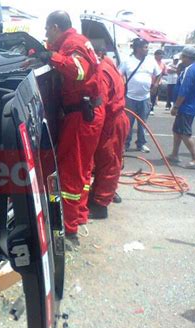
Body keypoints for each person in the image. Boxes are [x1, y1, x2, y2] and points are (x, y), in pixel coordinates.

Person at [33, 11, 104, 244]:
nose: (46, 34)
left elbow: (78, 71)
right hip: (86, 113)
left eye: (47, 30)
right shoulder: (76, 42)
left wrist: (51, 57)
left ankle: (67, 229)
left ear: (55, 27)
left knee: (71, 172)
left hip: (79, 115)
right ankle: (79, 215)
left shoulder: (73, 43)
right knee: (82, 170)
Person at [85, 51, 130, 220]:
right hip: (116, 119)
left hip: (111, 122)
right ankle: (103, 194)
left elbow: (99, 105)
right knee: (109, 160)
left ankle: (100, 205)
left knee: (108, 163)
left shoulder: (102, 71)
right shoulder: (109, 64)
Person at [119, 38, 162, 153]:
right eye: (145, 47)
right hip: (130, 98)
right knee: (128, 123)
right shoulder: (127, 61)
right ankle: (125, 144)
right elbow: (118, 75)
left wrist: (155, 85)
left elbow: (158, 74)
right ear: (137, 48)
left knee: (143, 122)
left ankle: (141, 144)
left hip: (145, 98)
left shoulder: (150, 61)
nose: (147, 49)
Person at [167, 46, 195, 168]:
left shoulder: (190, 70)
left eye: (182, 56)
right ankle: (174, 154)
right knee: (177, 130)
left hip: (185, 107)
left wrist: (176, 106)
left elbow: (184, 90)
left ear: (186, 57)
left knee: (185, 133)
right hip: (190, 106)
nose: (181, 58)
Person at [149, 49, 167, 115]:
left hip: (158, 83)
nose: (161, 56)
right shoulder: (151, 62)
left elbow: (165, 72)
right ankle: (147, 108)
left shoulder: (163, 63)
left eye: (162, 55)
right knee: (148, 96)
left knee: (154, 96)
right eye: (160, 55)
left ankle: (151, 108)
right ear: (155, 55)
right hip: (150, 82)